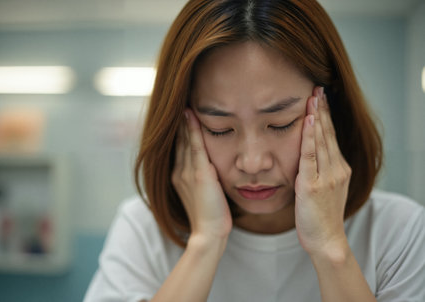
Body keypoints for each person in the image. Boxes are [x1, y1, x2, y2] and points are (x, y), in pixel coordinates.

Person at [84, 0, 425, 301]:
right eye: (219, 129)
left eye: (280, 124)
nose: (252, 162)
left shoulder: (399, 230)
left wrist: (332, 249)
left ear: (330, 107)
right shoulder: (144, 229)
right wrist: (204, 244)